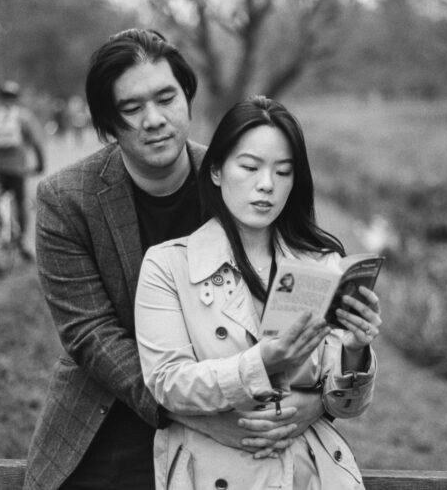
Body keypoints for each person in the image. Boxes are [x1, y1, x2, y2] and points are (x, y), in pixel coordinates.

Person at [24, 29, 329, 490]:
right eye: (132, 108)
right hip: (110, 411)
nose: (154, 120)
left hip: (239, 402)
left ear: (187, 99)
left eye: (166, 98)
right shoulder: (66, 200)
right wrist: (189, 411)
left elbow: (297, 295)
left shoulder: (235, 177)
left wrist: (317, 401)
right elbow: (89, 332)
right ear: (108, 123)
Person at [135, 96, 381, 489]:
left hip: (312, 474)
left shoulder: (321, 263)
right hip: (212, 472)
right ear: (216, 170)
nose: (266, 184)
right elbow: (168, 383)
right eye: (250, 167)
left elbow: (345, 406)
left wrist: (354, 349)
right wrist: (261, 363)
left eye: (283, 172)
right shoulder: (169, 265)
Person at [0, 80, 46, 259]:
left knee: (3, 195)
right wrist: (40, 164)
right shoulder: (23, 117)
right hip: (17, 168)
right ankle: (22, 241)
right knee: (20, 202)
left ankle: (0, 218)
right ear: (16, 98)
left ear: (0, 98)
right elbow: (36, 142)